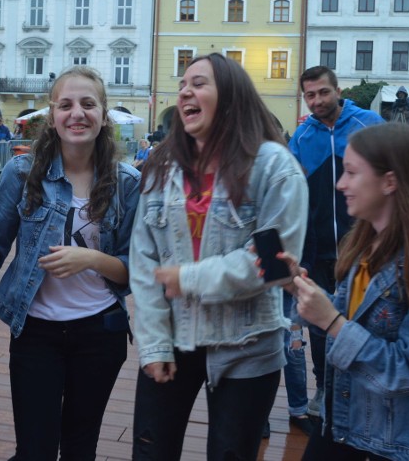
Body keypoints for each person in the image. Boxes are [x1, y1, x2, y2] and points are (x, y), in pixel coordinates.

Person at [129, 53, 308, 460]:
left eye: (199, 83)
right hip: (174, 337)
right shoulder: (162, 166)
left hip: (246, 346)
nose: (185, 91)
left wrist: (187, 278)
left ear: (230, 95)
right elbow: (144, 261)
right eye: (182, 85)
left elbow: (274, 262)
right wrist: (154, 345)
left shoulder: (274, 168)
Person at [0, 66, 140, 461]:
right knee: (34, 450)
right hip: (36, 332)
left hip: (100, 332)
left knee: (79, 449)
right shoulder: (22, 172)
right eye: (65, 105)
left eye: (88, 104)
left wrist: (91, 258)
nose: (77, 113)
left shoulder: (127, 181)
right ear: (52, 116)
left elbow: (134, 271)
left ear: (103, 114)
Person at [291, 123, 409, 461]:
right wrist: (298, 288)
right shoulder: (365, 245)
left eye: (351, 172)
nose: (340, 183)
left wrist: (331, 321)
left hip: (392, 447)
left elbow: (408, 372)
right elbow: (346, 321)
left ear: (390, 181)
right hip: (341, 428)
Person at [288, 65, 384, 417]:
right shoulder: (300, 138)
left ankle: (365, 386)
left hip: (366, 245)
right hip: (319, 248)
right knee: (318, 322)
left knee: (366, 318)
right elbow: (291, 195)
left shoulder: (368, 123)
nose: (317, 101)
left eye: (323, 92)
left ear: (337, 90)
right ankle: (325, 387)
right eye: (310, 95)